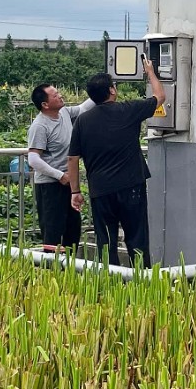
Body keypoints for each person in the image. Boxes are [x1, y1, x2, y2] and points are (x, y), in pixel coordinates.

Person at [66, 59, 165, 267]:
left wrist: (75, 191)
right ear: (111, 90)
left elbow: (72, 158)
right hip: (131, 186)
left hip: (100, 190)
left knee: (106, 241)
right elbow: (160, 97)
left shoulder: (83, 121)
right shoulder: (129, 110)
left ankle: (111, 285)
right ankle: (142, 281)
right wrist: (150, 72)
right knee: (137, 238)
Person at [26, 83, 95, 251]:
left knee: (73, 230)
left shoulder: (63, 112)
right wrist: (60, 175)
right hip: (50, 186)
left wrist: (102, 88)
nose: (60, 96)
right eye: (55, 95)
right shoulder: (40, 126)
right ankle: (51, 270)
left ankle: (69, 271)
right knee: (53, 233)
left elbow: (82, 108)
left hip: (69, 184)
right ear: (45, 104)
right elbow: (33, 159)